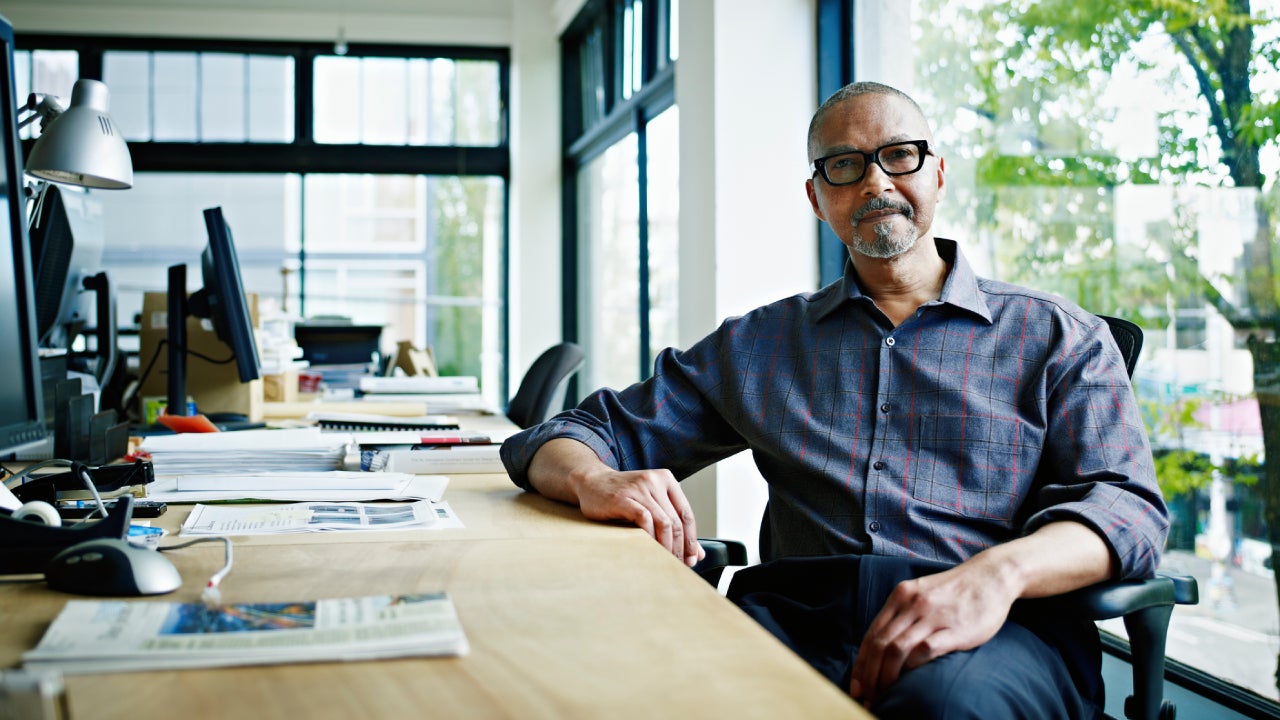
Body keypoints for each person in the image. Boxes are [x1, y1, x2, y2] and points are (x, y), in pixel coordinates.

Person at [500, 81, 1168, 719]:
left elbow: (1127, 509)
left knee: (941, 710)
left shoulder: (1056, 336)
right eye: (845, 166)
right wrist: (596, 479)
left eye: (899, 156)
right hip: (795, 619)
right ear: (818, 198)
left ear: (937, 173)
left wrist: (997, 575)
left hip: (994, 629)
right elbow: (567, 434)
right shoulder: (761, 345)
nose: (877, 182)